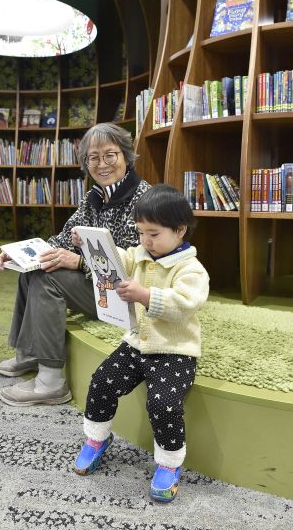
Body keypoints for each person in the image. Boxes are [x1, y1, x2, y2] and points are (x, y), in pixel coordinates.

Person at [0, 123, 150, 406]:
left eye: (110, 155)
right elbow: (65, 237)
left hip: (127, 297)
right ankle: (28, 354)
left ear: (126, 156)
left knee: (47, 278)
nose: (101, 164)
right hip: (99, 286)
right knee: (35, 269)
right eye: (93, 157)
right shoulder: (94, 197)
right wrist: (21, 254)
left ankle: (51, 382)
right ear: (85, 162)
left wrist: (79, 262)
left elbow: (134, 266)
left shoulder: (143, 200)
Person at [73, 184, 209, 503]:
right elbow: (118, 259)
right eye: (140, 232)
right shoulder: (140, 253)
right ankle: (96, 439)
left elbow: (185, 303)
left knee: (162, 404)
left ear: (179, 231)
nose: (145, 240)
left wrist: (146, 296)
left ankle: (169, 464)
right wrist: (91, 247)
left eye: (153, 233)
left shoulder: (190, 268)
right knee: (102, 381)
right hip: (136, 344)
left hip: (174, 351)